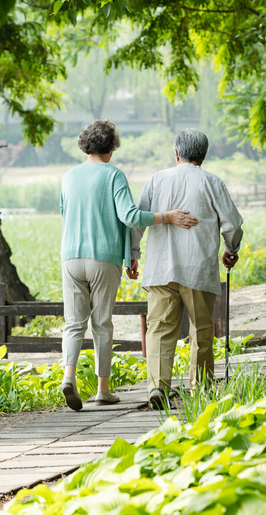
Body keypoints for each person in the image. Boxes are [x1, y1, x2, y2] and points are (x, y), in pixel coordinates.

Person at [60, 119, 197, 411]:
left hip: (70, 257)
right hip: (103, 259)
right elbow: (131, 217)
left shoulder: (69, 176)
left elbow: (66, 213)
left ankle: (68, 377)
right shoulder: (113, 175)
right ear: (111, 147)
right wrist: (167, 217)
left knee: (74, 323)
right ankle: (103, 389)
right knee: (101, 324)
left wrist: (128, 253)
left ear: (85, 144)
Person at [130, 127, 243, 410]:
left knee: (159, 329)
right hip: (197, 269)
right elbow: (233, 224)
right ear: (202, 156)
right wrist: (231, 250)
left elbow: (138, 220)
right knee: (202, 330)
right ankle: (201, 389)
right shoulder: (212, 182)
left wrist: (133, 254)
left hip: (160, 268)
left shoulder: (156, 180)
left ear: (176, 152)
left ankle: (157, 387)